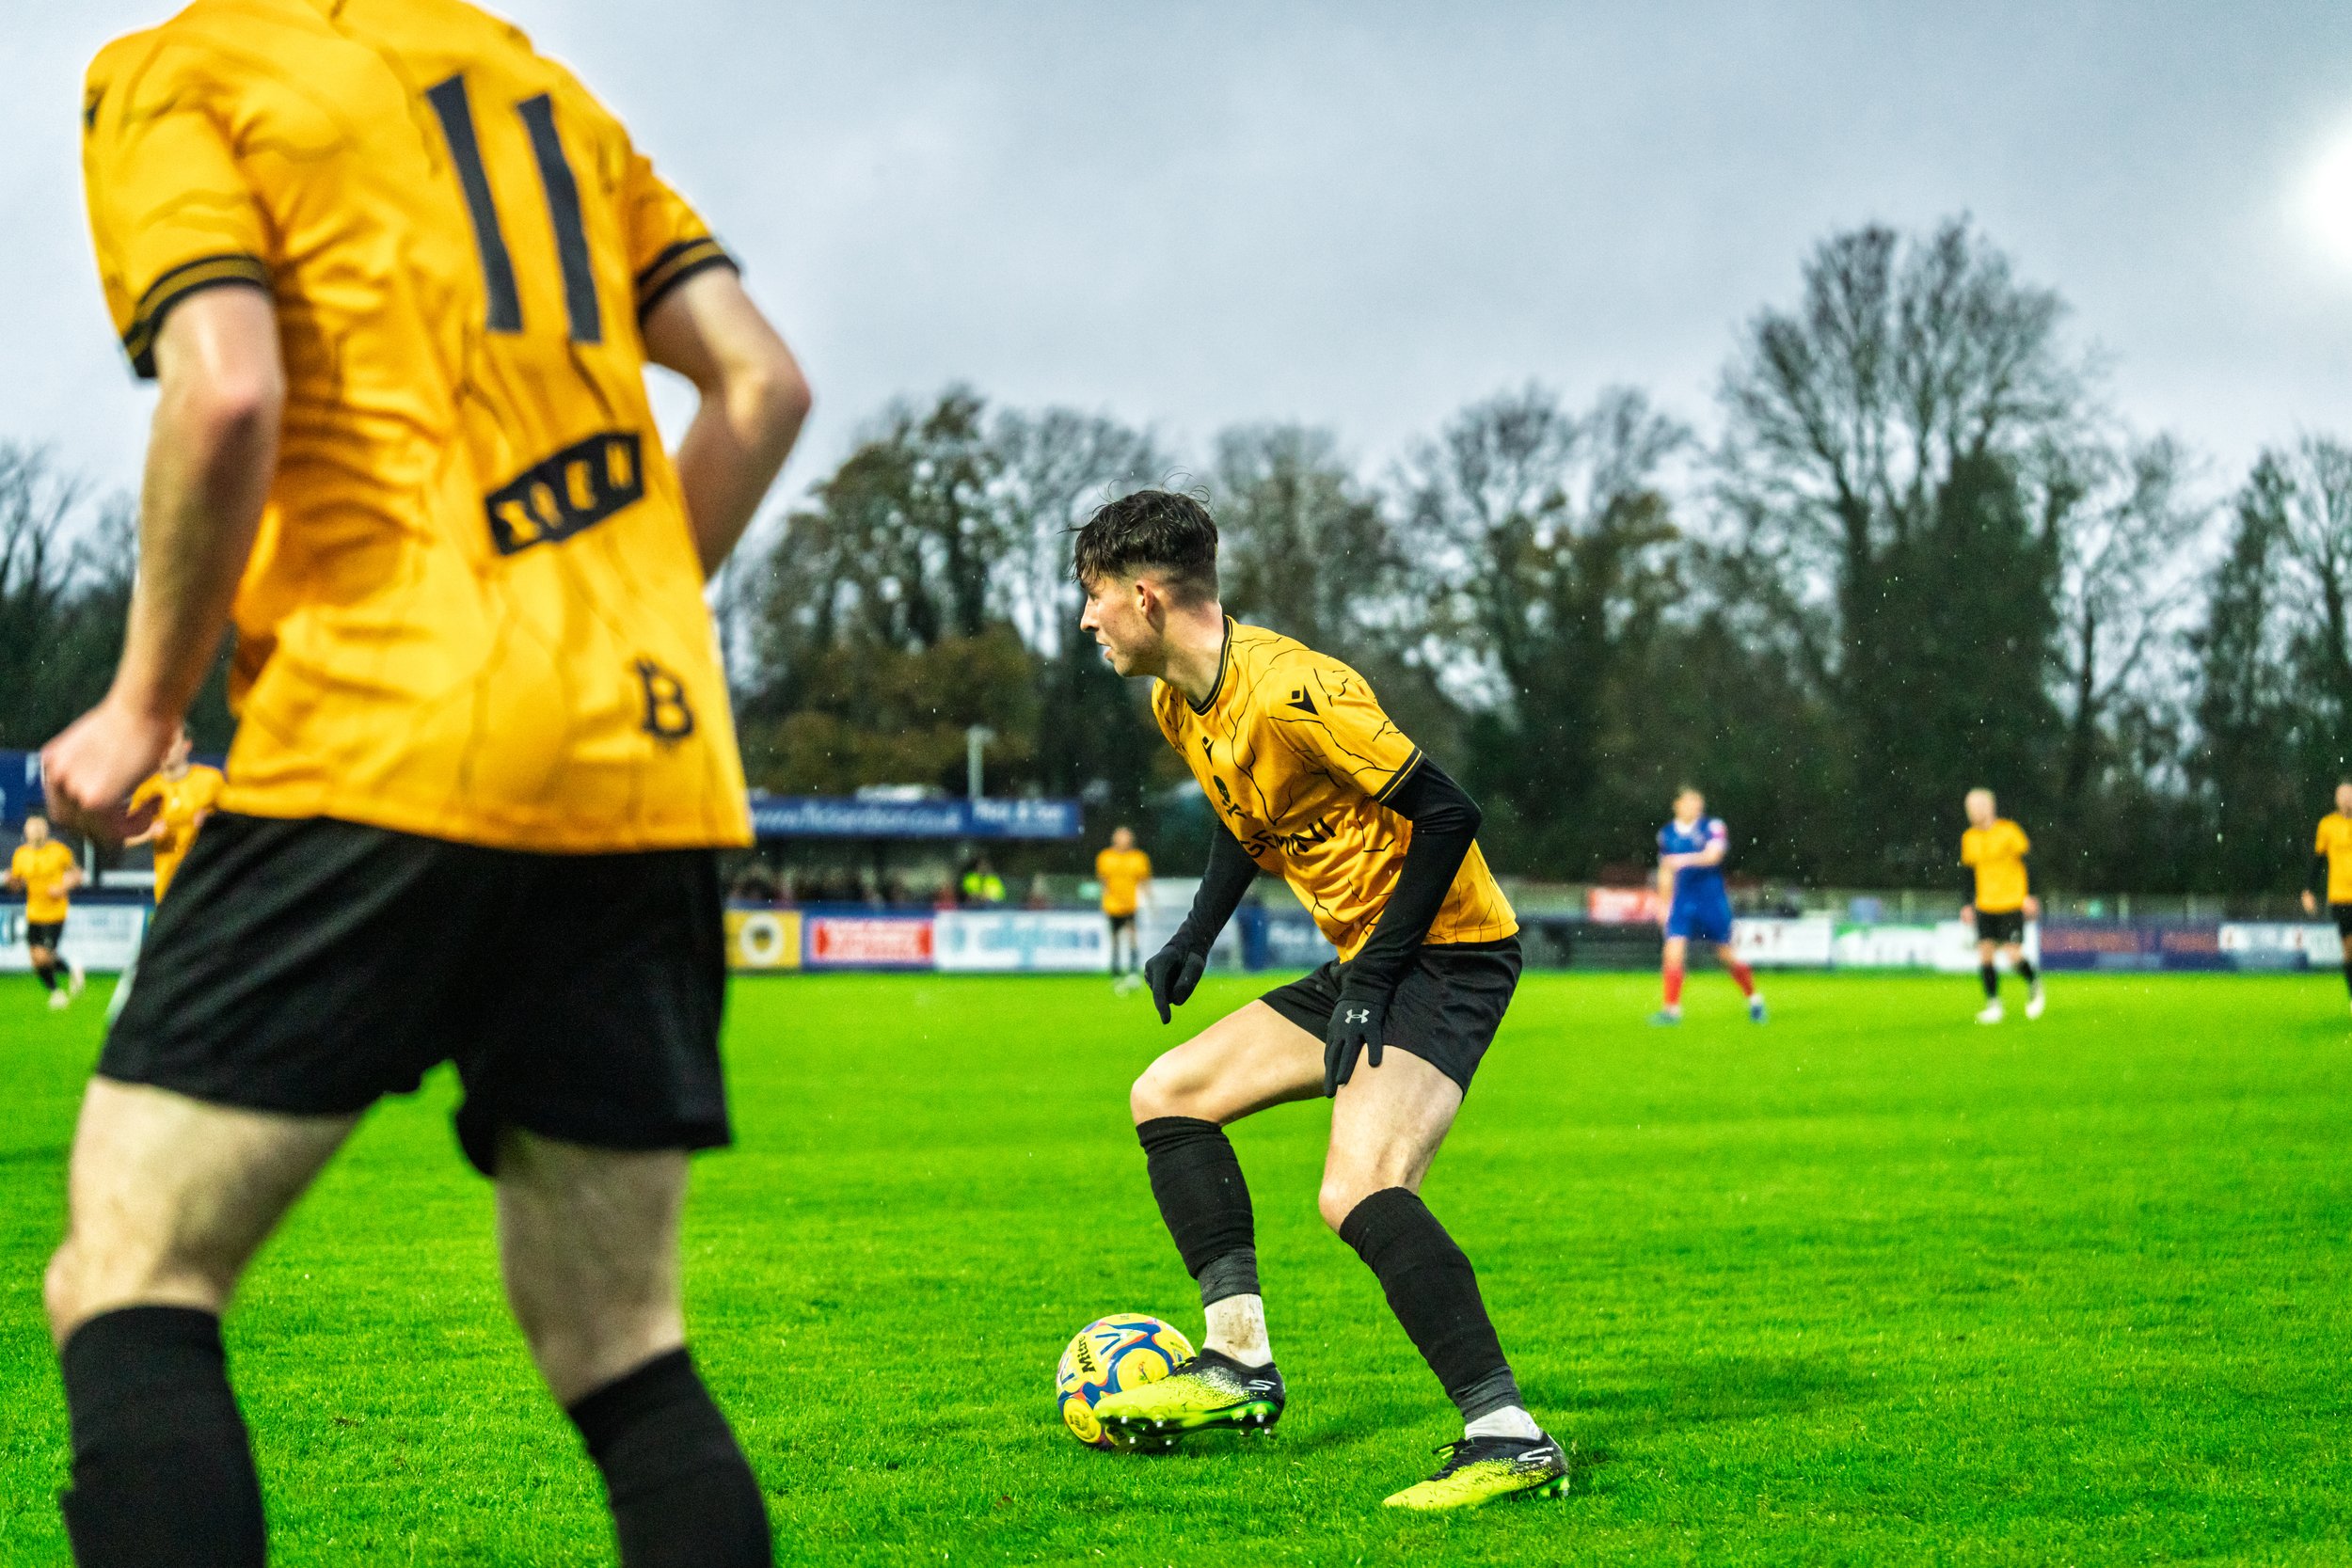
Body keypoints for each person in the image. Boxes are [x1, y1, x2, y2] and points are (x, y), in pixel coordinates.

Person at [42, 5, 809, 1563]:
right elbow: (760, 387)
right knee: (624, 1347)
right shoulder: (544, 92)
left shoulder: (184, 70)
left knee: (131, 1273)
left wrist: (140, 705)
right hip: (641, 756)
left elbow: (228, 390)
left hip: (382, 727)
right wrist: (614, 618)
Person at [1071, 490, 1565, 1512]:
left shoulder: (1294, 688)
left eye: (1094, 595)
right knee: (1169, 1093)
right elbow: (1243, 820)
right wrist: (1193, 936)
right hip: (1370, 959)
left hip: (1450, 953)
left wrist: (1376, 977)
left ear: (1146, 595)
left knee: (1360, 1187)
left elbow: (1449, 812)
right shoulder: (1179, 704)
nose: (1087, 619)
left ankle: (1508, 1434)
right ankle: (1237, 1360)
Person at [111, 728, 227, 1021]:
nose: (163, 748)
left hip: (207, 880)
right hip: (168, 886)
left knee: (207, 949)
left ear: (186, 745)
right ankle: (133, 1004)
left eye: (170, 742)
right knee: (167, 951)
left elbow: (238, 819)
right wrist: (149, 832)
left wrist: (213, 823)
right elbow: (123, 838)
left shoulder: (210, 780)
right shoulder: (149, 790)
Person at [1649, 786, 1764, 1025]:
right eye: (1690, 802)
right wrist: (1664, 904)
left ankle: (1754, 999)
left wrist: (1680, 860)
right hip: (1682, 901)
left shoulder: (1713, 827)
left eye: (1698, 802)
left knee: (1726, 955)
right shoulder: (1666, 834)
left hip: (1711, 900)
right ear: (1677, 804)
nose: (1696, 807)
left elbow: (1713, 857)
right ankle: (1671, 1010)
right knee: (1673, 951)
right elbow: (1665, 871)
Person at [1961, 787, 2042, 1023]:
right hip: (1985, 904)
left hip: (2011, 902)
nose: (1972, 812)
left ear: (1989, 807)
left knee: (2013, 955)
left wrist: (2031, 895)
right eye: (1969, 808)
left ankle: (2034, 983)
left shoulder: (2009, 831)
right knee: (1985, 954)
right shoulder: (1969, 838)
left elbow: (2030, 863)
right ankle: (1994, 1005)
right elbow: (1967, 873)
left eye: (1976, 807)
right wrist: (1966, 903)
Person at [9, 814, 87, 1010]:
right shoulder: (21, 855)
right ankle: (61, 985)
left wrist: (62, 887)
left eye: (39, 829)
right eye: (32, 829)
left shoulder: (58, 851)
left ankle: (60, 987)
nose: (36, 833)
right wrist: (12, 881)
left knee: (44, 955)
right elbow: (17, 883)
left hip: (55, 912)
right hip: (33, 912)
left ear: (46, 831)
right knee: (36, 959)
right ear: (26, 832)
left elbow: (77, 874)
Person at [2300, 780, 2352, 1016]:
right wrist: (2308, 890)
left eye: (2350, 795)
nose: (2346, 799)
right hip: (2340, 897)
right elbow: (2318, 861)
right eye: (2342, 795)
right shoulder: (2327, 825)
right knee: (2349, 951)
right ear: (2336, 799)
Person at [1095, 825, 1153, 993]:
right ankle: (1115, 972)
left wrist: (1151, 901)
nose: (1123, 840)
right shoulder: (1106, 857)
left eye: (1126, 836)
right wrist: (1103, 899)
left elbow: (1144, 881)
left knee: (1132, 936)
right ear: (1115, 838)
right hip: (1112, 905)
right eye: (1120, 836)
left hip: (1130, 905)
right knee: (1114, 939)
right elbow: (1103, 880)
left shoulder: (1138, 858)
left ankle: (1133, 971)